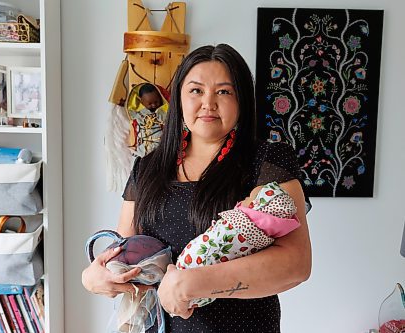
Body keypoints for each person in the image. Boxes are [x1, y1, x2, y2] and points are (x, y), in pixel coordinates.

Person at [82, 43, 312, 332]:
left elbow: (296, 264)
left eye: (224, 91)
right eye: (196, 90)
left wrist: (196, 283)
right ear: (179, 97)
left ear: (242, 101)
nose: (208, 103)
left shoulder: (266, 162)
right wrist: (96, 277)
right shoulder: (147, 167)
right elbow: (128, 253)